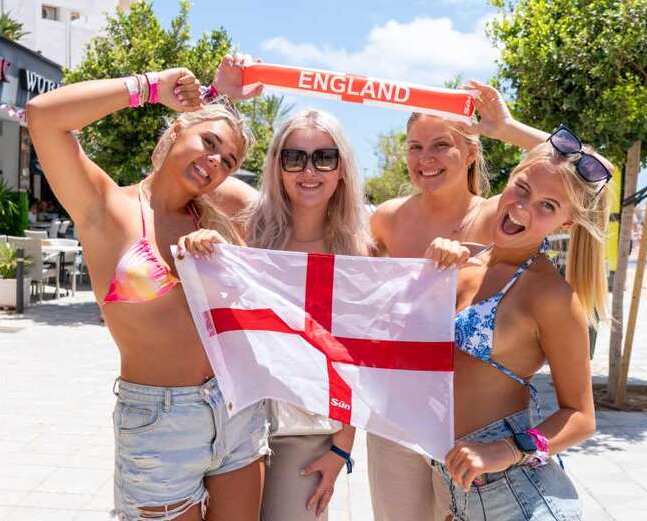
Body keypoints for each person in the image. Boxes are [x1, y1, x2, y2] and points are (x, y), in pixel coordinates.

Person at [27, 55, 268, 521]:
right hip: (159, 422)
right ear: (176, 130)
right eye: (209, 142)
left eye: (229, 160)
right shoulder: (106, 209)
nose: (216, 161)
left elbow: (299, 209)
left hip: (237, 408)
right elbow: (43, 116)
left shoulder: (221, 214)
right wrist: (149, 87)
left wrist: (222, 100)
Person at [367, 82, 550, 520]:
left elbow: (584, 169)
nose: (424, 159)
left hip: (474, 422)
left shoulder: (499, 215)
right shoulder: (386, 218)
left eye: (441, 145)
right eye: (414, 147)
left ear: (471, 152)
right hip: (395, 416)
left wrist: (506, 128)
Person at [177, 108, 372, 520]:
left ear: (342, 170)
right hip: (233, 426)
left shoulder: (359, 250)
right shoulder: (245, 227)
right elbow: (185, 161)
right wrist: (205, 245)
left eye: (324, 157)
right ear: (277, 165)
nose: (309, 170)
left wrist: (342, 448)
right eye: (294, 157)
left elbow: (360, 359)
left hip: (308, 434)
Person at [426, 125, 611, 519]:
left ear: (566, 223)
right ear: (508, 180)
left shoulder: (550, 295)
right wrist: (430, 267)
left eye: (548, 206)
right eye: (522, 188)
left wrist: (505, 450)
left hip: (518, 497)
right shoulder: (465, 260)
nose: (523, 208)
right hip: (460, 491)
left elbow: (581, 417)